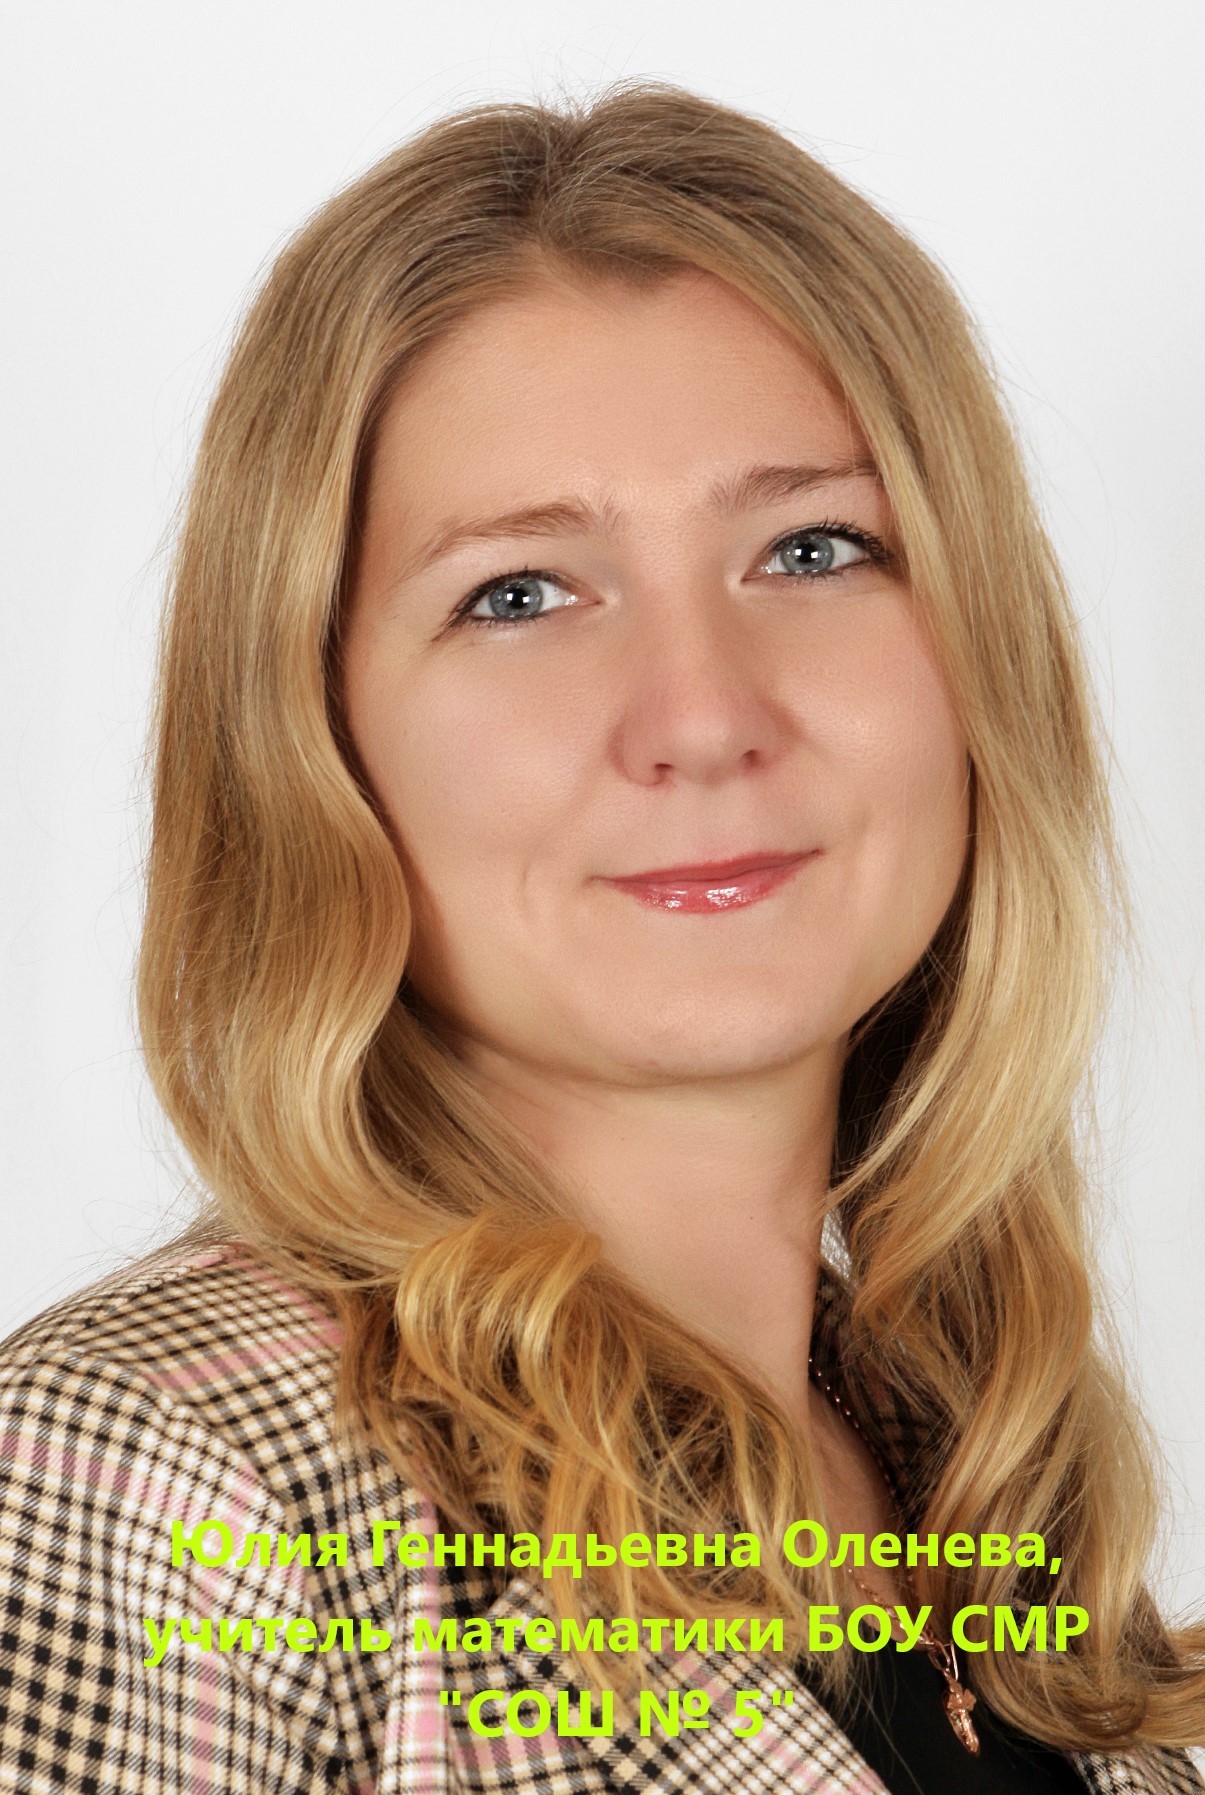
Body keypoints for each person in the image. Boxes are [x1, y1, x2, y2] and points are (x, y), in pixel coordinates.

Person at [0, 80, 1201, 1795]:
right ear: (310, 734)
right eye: (518, 593)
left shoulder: (983, 1488)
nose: (701, 716)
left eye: (812, 548)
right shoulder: (144, 1473)